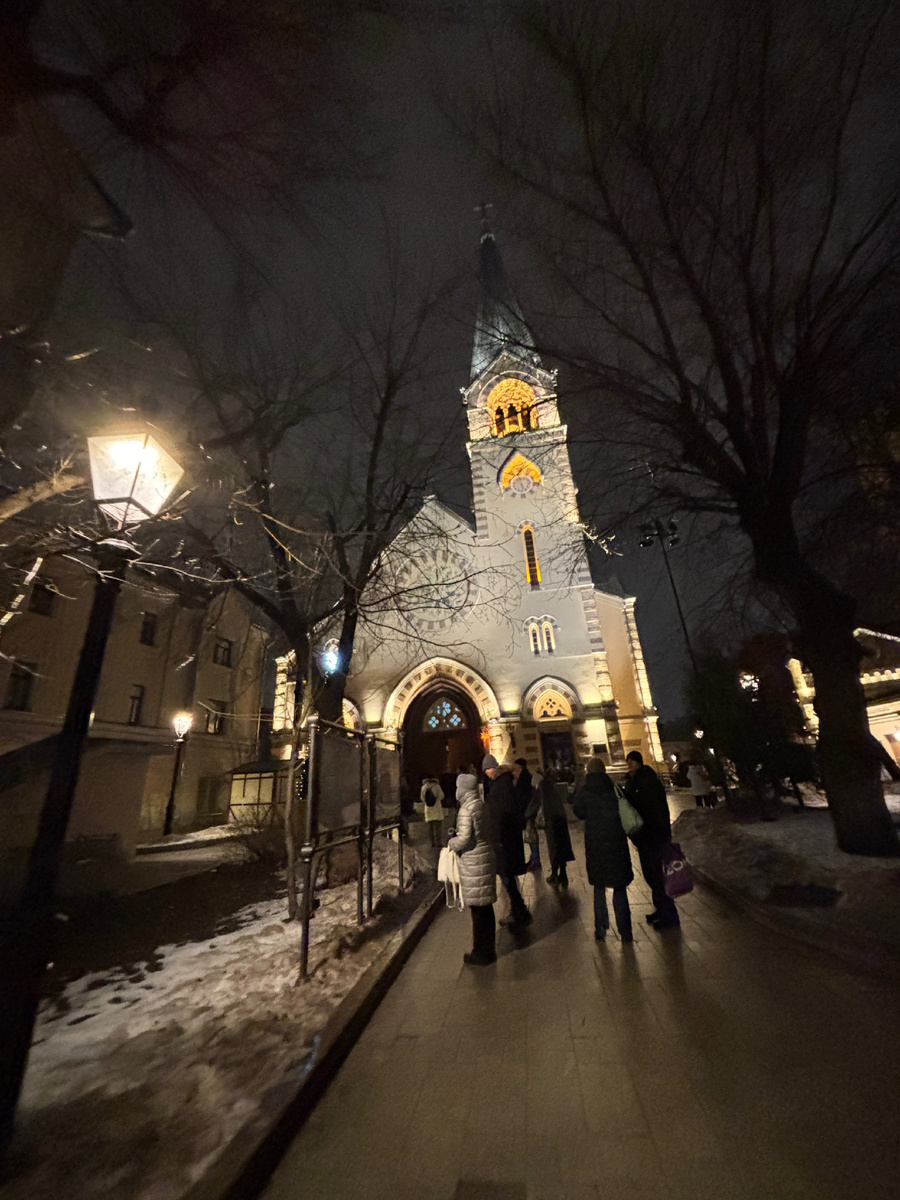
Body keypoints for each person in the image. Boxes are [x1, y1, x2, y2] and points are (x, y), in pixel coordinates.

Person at [572, 758, 633, 941]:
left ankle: (600, 928)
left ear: (589, 771)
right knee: (619, 887)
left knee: (599, 888)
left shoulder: (585, 791)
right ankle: (625, 930)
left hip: (596, 844)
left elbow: (578, 812)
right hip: (616, 843)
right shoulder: (615, 788)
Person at [623, 750, 679, 929]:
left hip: (654, 836)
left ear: (639, 763)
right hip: (645, 837)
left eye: (631, 762)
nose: (629, 765)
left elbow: (649, 807)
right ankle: (661, 909)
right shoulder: (634, 781)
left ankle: (669, 915)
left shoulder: (647, 781)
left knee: (658, 876)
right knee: (651, 875)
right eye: (628, 762)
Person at [448, 771, 498, 965]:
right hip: (486, 857)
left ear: (463, 789)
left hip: (474, 862)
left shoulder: (466, 809)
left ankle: (481, 952)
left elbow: (465, 840)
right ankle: (489, 949)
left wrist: (452, 842)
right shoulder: (481, 805)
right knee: (486, 908)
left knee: (477, 910)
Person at [482, 753, 532, 927]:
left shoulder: (501, 786)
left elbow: (501, 814)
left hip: (504, 840)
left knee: (507, 877)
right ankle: (519, 910)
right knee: (508, 877)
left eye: (487, 769)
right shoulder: (503, 783)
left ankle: (520, 912)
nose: (486, 773)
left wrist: (496, 835)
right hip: (506, 839)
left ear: (493, 768)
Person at [538, 770, 574, 887]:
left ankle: (554, 874)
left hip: (552, 821)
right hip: (560, 819)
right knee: (562, 846)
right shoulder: (553, 786)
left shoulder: (543, 787)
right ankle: (563, 874)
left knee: (553, 848)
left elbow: (542, 804)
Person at [513, 757, 540, 869]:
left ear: (520, 767)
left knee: (531, 835)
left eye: (515, 767)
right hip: (528, 810)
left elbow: (523, 797)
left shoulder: (524, 778)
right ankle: (533, 858)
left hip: (528, 811)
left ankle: (535, 860)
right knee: (530, 835)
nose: (514, 770)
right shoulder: (525, 777)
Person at [420, 776, 445, 847]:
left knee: (430, 827)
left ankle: (432, 843)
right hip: (436, 808)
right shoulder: (437, 786)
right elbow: (441, 796)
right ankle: (438, 843)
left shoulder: (424, 787)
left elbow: (422, 798)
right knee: (438, 827)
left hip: (428, 809)